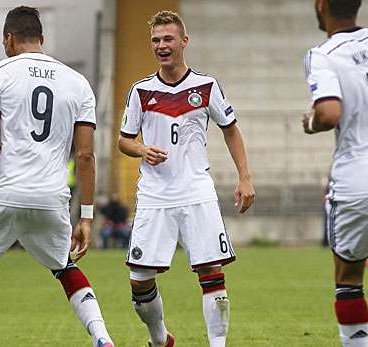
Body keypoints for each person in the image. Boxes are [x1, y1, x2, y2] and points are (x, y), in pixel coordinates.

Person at [0, 7, 114, 347]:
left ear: (8, 38)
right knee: (64, 265)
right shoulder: (77, 82)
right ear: (42, 40)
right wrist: (86, 218)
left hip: (5, 193)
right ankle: (102, 336)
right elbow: (86, 156)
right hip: (53, 197)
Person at [118, 10, 255, 347]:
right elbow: (124, 140)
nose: (161, 46)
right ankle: (159, 338)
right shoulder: (140, 91)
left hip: (196, 191)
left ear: (183, 41)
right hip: (154, 195)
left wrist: (245, 178)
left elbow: (231, 131)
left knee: (211, 273)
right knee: (139, 279)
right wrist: (141, 150)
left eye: (168, 39)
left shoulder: (206, 86)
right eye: (155, 40)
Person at [304, 0, 368, 345]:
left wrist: (309, 123)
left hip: (358, 180)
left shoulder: (324, 54)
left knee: (348, 276)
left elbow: (329, 113)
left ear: (321, 6)